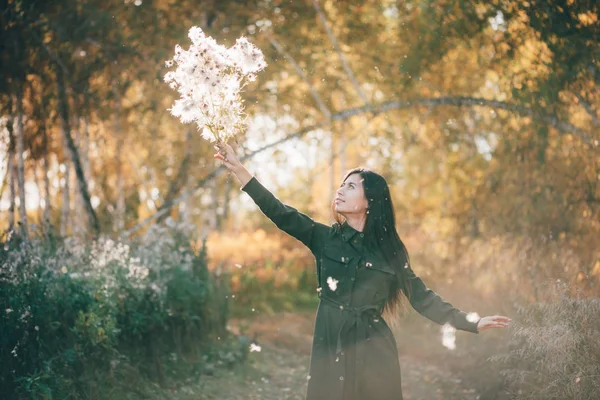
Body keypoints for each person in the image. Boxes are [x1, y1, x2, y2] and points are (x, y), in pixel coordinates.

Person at [214, 142, 511, 400]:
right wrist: (240, 170)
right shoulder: (324, 238)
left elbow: (423, 298)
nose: (340, 190)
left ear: (370, 202)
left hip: (374, 351)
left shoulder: (391, 253)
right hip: (330, 344)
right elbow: (279, 212)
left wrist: (473, 322)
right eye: (342, 184)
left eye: (351, 186)